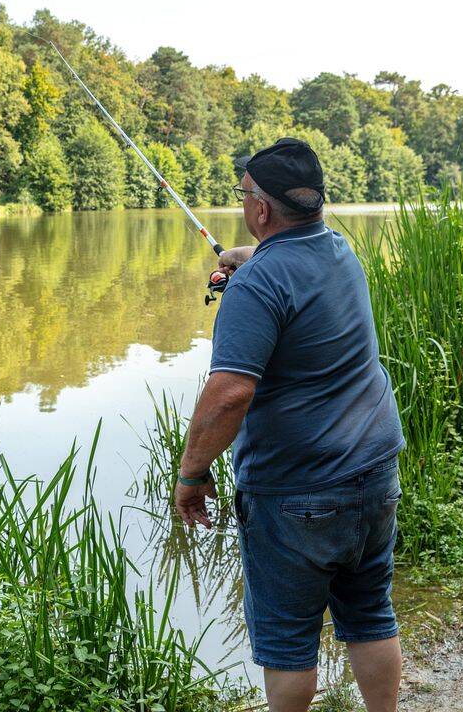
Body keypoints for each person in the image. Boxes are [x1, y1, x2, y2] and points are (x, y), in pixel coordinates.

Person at [174, 138, 405, 712]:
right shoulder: (338, 251)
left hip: (296, 492)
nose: (244, 203)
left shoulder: (256, 288)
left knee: (287, 647)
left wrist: (191, 473)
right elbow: (289, 263)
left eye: (244, 194)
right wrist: (246, 259)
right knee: (371, 615)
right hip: (375, 472)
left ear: (259, 209)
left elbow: (229, 394)